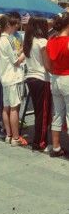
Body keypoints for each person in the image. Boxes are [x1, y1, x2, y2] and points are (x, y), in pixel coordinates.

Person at [0, 14, 27, 147]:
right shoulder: (6, 40)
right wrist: (25, 51)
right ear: (8, 25)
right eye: (15, 25)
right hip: (13, 78)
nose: (17, 27)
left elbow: (10, 57)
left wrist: (19, 51)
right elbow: (16, 62)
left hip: (5, 79)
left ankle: (9, 135)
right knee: (14, 109)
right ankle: (15, 137)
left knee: (6, 108)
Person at [23, 17, 52, 151]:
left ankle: (38, 140)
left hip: (30, 78)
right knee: (44, 112)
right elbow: (47, 65)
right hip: (42, 79)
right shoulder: (42, 42)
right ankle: (40, 142)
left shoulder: (28, 41)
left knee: (38, 111)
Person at [46, 12, 69, 157]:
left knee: (58, 114)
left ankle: (55, 147)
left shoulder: (51, 41)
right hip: (67, 78)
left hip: (55, 78)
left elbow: (47, 65)